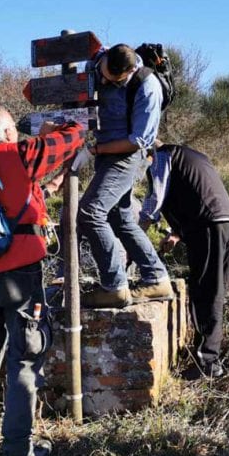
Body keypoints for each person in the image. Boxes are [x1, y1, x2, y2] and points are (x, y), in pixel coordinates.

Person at [0, 104, 84, 456]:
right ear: (8, 132)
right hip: (18, 277)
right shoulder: (19, 155)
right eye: (15, 130)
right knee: (24, 361)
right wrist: (58, 123)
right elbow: (75, 136)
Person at [78, 44, 172, 306]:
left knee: (90, 212)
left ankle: (114, 286)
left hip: (126, 156)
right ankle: (156, 279)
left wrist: (94, 150)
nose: (105, 80)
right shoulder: (97, 60)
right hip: (106, 152)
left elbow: (139, 140)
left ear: (131, 70)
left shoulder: (148, 87)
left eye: (112, 80)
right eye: (103, 73)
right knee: (119, 218)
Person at [140, 143, 229, 378]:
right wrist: (176, 234)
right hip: (227, 225)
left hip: (207, 227)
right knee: (215, 292)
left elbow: (157, 196)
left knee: (204, 291)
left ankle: (207, 364)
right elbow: (197, 193)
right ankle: (211, 358)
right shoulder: (193, 156)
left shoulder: (163, 157)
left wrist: (137, 233)